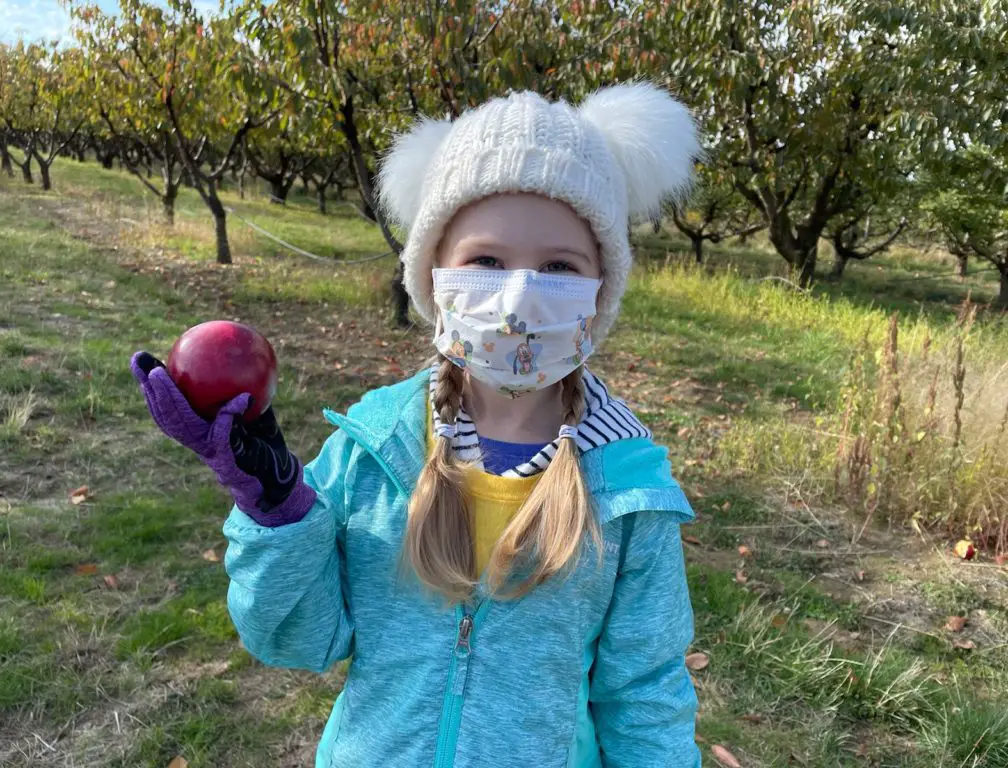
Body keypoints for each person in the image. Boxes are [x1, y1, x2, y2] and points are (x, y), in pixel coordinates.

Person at [131, 81, 702, 768]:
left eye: (559, 267)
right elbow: (297, 640)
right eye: (486, 262)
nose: (518, 296)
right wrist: (279, 514)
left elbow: (643, 695)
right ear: (433, 276)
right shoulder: (374, 452)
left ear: (601, 288)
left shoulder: (628, 493)